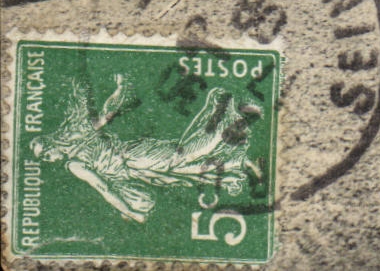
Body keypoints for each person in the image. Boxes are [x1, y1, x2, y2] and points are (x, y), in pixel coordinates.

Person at [32, 75, 262, 224]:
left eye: (45, 153)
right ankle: (234, 162)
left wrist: (132, 213)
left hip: (135, 159)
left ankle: (224, 118)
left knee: (181, 158)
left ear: (52, 143)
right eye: (43, 159)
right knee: (185, 169)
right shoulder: (81, 136)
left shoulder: (73, 164)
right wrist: (121, 89)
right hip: (136, 161)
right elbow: (108, 113)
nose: (47, 159)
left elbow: (103, 188)